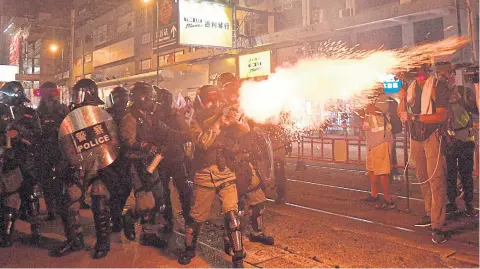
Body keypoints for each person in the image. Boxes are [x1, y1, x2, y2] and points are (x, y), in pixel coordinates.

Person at [178, 85, 248, 268]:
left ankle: (238, 256)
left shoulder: (228, 112)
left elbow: (246, 130)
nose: (214, 103)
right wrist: (218, 123)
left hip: (226, 170)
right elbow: (202, 143)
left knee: (232, 214)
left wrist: (235, 119)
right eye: (211, 100)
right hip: (204, 172)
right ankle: (189, 249)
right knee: (196, 218)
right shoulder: (196, 119)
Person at [120, 82, 190, 247]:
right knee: (146, 201)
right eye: (151, 98)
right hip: (137, 163)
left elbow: (167, 132)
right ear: (143, 98)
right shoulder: (130, 117)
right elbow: (127, 139)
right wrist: (144, 145)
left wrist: (187, 135)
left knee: (159, 199)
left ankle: (148, 234)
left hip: (151, 162)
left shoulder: (149, 116)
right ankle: (130, 217)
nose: (154, 101)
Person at [51, 79, 114, 259]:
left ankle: (103, 242)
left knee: (100, 202)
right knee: (70, 201)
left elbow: (111, 142)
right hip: (77, 165)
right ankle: (75, 240)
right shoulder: (72, 115)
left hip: (97, 165)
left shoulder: (101, 115)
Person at [398, 63, 449, 244]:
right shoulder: (410, 88)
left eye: (421, 69)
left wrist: (414, 117)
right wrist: (402, 98)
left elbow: (442, 116)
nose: (418, 73)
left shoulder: (437, 85)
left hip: (432, 135)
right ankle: (430, 212)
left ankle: (437, 224)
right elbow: (401, 113)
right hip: (415, 136)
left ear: (427, 70)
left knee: (435, 178)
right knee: (422, 176)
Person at [0, 81, 42, 247]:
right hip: (8, 160)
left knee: (30, 195)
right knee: (9, 196)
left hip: (26, 159)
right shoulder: (1, 112)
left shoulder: (29, 114)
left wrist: (19, 133)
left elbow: (37, 135)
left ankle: (36, 229)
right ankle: (6, 233)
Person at [152, 86, 192, 231]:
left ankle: (182, 218)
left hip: (172, 158)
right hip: (165, 159)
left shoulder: (166, 115)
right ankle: (177, 219)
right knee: (170, 191)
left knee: (179, 190)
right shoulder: (156, 116)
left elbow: (185, 134)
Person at [443, 69, 478, 217]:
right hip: (448, 139)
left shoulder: (465, 91)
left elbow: (477, 109)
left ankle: (469, 204)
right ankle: (451, 202)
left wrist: (461, 101)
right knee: (450, 173)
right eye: (445, 75)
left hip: (465, 138)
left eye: (451, 74)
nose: (449, 77)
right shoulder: (440, 93)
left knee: (466, 173)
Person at [36, 81, 70, 221]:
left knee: (61, 180)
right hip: (44, 149)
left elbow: (69, 127)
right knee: (45, 180)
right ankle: (51, 210)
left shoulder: (63, 109)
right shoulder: (38, 111)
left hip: (59, 149)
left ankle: (59, 208)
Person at [359, 87, 395, 209]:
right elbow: (365, 118)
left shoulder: (383, 98)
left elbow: (378, 111)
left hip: (381, 140)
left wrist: (366, 105)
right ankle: (374, 195)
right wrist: (361, 112)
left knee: (383, 172)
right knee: (372, 170)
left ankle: (387, 199)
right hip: (371, 141)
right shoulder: (368, 98)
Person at [105, 86, 131, 232]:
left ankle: (117, 214)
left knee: (126, 188)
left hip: (126, 157)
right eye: (119, 97)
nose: (123, 100)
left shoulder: (131, 114)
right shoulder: (106, 114)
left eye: (125, 97)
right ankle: (115, 219)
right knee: (114, 189)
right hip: (111, 157)